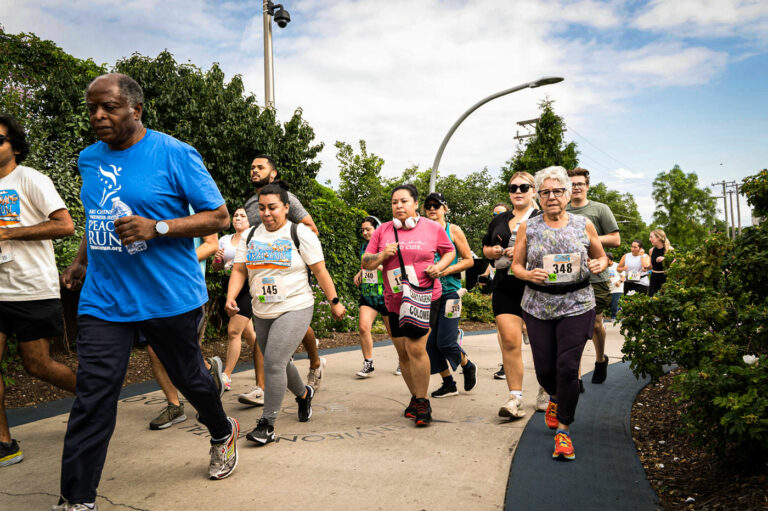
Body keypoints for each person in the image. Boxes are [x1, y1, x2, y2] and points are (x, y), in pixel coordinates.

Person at [56, 73, 238, 510]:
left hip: (167, 296)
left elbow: (219, 218)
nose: (98, 116)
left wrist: (157, 228)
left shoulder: (174, 153)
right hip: (105, 297)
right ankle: (77, 498)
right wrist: (82, 259)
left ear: (136, 110)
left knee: (189, 378)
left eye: (110, 108)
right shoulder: (88, 158)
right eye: (92, 108)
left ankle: (221, 428)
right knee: (94, 392)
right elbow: (96, 214)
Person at [225, 183, 345, 445]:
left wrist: (334, 301)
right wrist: (231, 296)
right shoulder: (250, 235)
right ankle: (303, 395)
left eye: (273, 208)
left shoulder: (299, 233)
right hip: (263, 308)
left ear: (286, 208)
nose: (267, 213)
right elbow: (239, 270)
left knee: (273, 363)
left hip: (296, 305)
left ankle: (266, 425)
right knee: (277, 361)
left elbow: (320, 270)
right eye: (262, 208)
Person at [511, 165, 608, 461]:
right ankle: (553, 397)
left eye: (557, 191)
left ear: (567, 194)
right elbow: (516, 266)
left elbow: (601, 256)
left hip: (578, 302)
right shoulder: (530, 227)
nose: (551, 196)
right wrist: (528, 275)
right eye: (545, 192)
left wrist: (599, 264)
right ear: (538, 197)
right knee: (545, 370)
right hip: (538, 305)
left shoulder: (583, 225)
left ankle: (563, 430)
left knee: (568, 367)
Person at [0, 114, 76, 468]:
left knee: (38, 365)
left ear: (14, 146)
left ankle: (94, 397)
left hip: (31, 289)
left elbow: (65, 226)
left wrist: (10, 233)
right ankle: (5, 443)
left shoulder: (30, 179)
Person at [362, 184, 455, 426]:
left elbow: (449, 251)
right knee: (403, 352)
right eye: (394, 202)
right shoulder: (382, 231)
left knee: (415, 348)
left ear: (415, 204)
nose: (399, 206)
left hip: (425, 295)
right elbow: (366, 262)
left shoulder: (432, 228)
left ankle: (423, 402)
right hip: (394, 298)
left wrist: (440, 267)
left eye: (404, 201)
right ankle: (415, 396)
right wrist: (382, 255)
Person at [243, 156, 327, 391]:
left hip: (288, 272)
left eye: (260, 167)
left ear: (273, 173)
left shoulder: (287, 199)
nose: (254, 170)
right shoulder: (252, 203)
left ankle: (315, 362)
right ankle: (262, 387)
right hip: (259, 271)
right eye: (252, 167)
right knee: (264, 328)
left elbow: (311, 228)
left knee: (294, 322)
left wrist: (283, 246)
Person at [146, 230, 223, 431]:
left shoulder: (197, 201)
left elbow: (212, 244)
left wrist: (174, 263)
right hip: (153, 287)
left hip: (184, 287)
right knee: (154, 349)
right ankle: (174, 405)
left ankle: (207, 370)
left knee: (185, 353)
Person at [483, 172, 544, 418]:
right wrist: (494, 251)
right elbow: (485, 248)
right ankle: (514, 397)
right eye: (513, 187)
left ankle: (545, 390)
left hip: (535, 287)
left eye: (523, 187)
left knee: (541, 344)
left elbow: (549, 250)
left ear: (533, 190)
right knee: (509, 341)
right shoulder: (500, 219)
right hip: (505, 286)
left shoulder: (541, 218)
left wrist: (521, 254)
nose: (518, 191)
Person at [566, 167, 620, 385]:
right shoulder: (561, 210)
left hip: (595, 276)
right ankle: (576, 377)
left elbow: (616, 240)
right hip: (569, 276)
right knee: (572, 328)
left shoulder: (600, 209)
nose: (576, 187)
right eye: (572, 184)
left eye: (580, 183)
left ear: (587, 186)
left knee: (596, 323)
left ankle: (600, 359)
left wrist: (588, 237)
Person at [422, 192, 477, 398]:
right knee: (429, 345)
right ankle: (448, 383)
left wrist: (446, 270)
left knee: (445, 342)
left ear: (445, 209)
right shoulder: (422, 232)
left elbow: (468, 260)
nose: (432, 209)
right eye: (428, 206)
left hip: (450, 293)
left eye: (437, 205)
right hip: (427, 295)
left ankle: (467, 364)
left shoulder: (453, 230)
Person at [212, 208, 258, 392]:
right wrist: (217, 261)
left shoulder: (254, 238)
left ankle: (226, 376)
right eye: (236, 215)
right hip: (229, 287)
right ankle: (271, 361)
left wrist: (240, 266)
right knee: (248, 334)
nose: (238, 218)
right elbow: (217, 268)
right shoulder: (225, 239)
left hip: (247, 287)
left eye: (242, 216)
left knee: (233, 332)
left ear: (250, 220)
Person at [352, 216, 394, 378]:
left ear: (377, 229)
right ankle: (368, 363)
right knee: (363, 327)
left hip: (385, 294)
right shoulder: (364, 247)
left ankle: (402, 360)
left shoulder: (387, 246)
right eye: (362, 230)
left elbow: (391, 268)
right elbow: (366, 265)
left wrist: (379, 264)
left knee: (393, 334)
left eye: (368, 229)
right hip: (368, 295)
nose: (364, 232)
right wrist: (360, 272)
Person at [648, 229, 672, 297]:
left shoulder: (670, 249)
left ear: (658, 237)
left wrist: (665, 259)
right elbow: (651, 266)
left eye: (651, 237)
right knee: (652, 300)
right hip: (654, 279)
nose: (649, 239)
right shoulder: (651, 250)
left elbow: (675, 265)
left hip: (665, 279)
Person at [606, 253, 624, 321]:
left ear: (611, 260)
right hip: (608, 288)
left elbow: (623, 276)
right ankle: (619, 309)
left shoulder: (617, 266)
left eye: (606, 259)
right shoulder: (604, 267)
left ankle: (613, 317)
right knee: (607, 302)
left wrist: (619, 282)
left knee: (614, 302)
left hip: (617, 288)